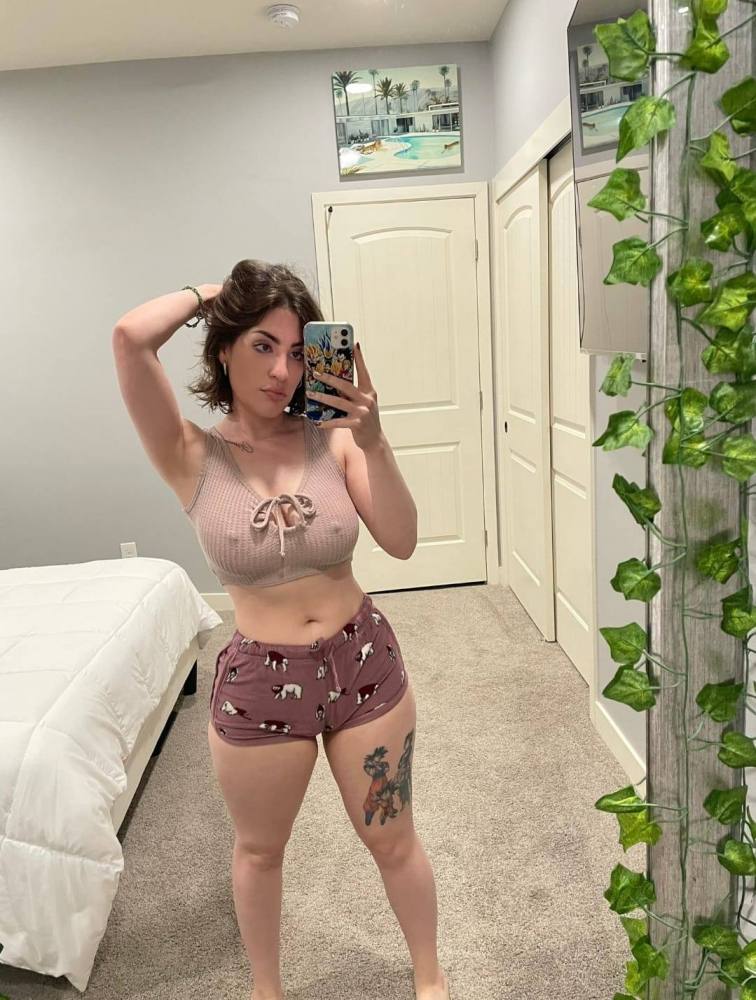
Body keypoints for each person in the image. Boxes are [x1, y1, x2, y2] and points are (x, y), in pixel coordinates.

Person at [111, 259, 451, 1000]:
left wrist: (377, 440)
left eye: (299, 352)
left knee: (393, 839)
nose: (282, 371)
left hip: (363, 662)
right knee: (262, 851)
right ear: (223, 347)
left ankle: (430, 979)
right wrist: (217, 292)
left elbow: (401, 541)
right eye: (262, 345)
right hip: (261, 685)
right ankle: (267, 991)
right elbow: (131, 338)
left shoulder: (333, 437)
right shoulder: (190, 453)